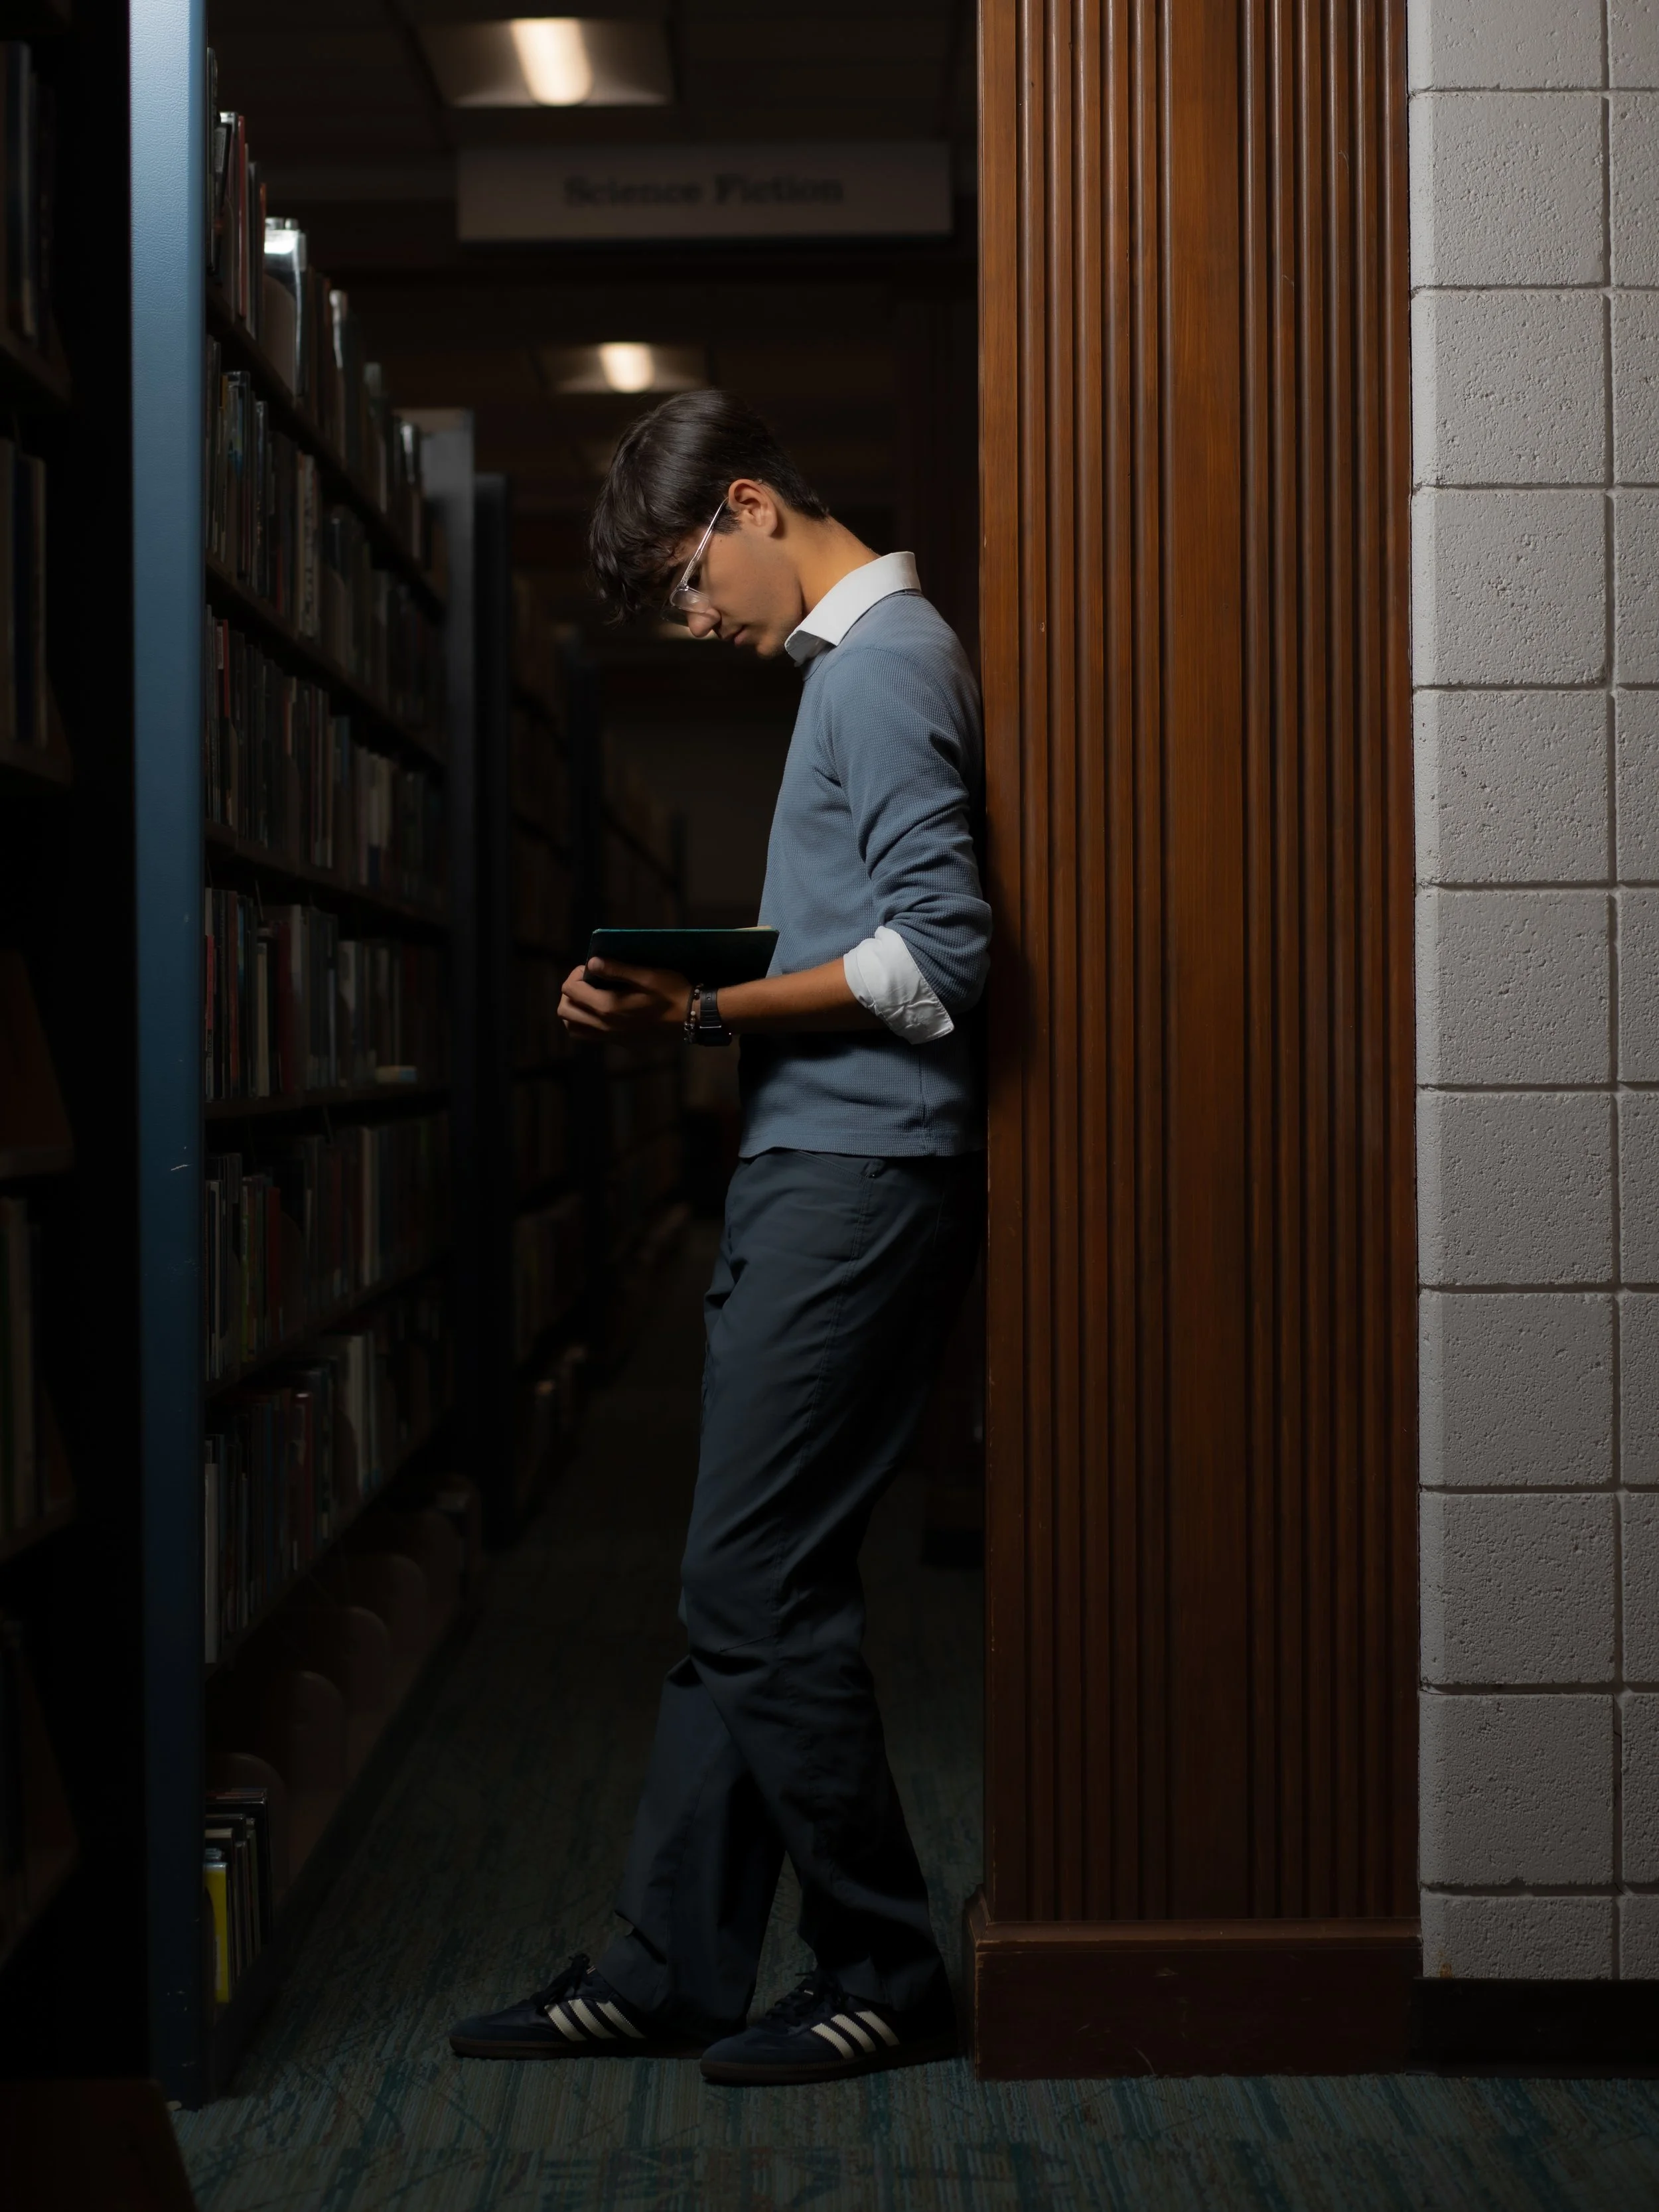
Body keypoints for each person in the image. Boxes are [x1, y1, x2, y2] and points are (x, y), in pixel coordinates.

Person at [449, 391, 989, 2087]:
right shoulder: (856, 669)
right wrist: (698, 990)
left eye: (693, 582)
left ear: (750, 505)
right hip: (816, 1166)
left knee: (747, 1583)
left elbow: (943, 956)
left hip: (857, 1173)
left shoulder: (883, 662)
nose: (701, 624)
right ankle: (675, 1959)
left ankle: (883, 1965)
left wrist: (705, 1008)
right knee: (743, 1586)